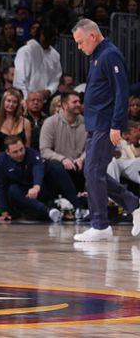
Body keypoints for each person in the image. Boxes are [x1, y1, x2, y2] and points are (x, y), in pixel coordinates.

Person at [71, 19, 140, 242]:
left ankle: (100, 225)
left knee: (93, 172)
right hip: (95, 123)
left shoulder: (110, 54)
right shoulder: (97, 55)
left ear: (92, 36)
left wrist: (117, 125)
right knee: (93, 173)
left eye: (81, 42)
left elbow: (121, 92)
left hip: (105, 124)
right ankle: (134, 205)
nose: (79, 47)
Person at [0, 136, 67, 222]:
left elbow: (38, 170)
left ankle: (75, 207)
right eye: (15, 152)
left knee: (56, 168)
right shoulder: (2, 161)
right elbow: (2, 186)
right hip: (21, 194)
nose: (20, 153)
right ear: (7, 152)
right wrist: (4, 211)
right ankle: (48, 211)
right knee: (12, 189)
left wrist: (36, 186)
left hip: (38, 189)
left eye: (21, 149)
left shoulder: (32, 153)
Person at [13, 23, 62, 100]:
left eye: (55, 37)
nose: (53, 39)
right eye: (50, 36)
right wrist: (26, 99)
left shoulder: (55, 54)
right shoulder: (25, 51)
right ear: (42, 35)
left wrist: (49, 91)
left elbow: (56, 78)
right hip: (26, 99)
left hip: (46, 99)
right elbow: (20, 79)